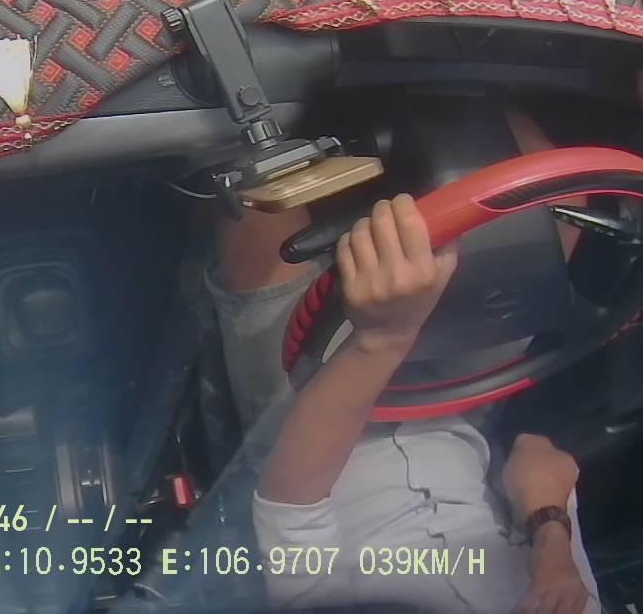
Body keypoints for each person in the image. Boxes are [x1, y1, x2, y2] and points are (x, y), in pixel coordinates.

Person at [208, 114, 599, 614]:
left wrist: (383, 339)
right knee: (558, 190)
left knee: (257, 197)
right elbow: (536, 453)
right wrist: (551, 545)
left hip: (305, 419)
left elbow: (290, 503)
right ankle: (446, 81)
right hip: (449, 402)